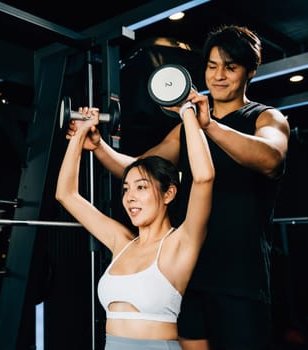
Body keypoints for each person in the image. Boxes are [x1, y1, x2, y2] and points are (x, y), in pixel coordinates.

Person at [66, 24, 291, 350]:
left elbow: (271, 159)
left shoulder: (265, 118)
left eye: (231, 67)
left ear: (250, 71)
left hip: (240, 277)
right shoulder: (187, 129)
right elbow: (138, 168)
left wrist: (209, 125)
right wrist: (99, 146)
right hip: (187, 275)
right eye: (212, 66)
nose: (218, 76)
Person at [56, 92, 215, 350]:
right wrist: (80, 133)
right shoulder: (122, 243)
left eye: (141, 188)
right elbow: (66, 195)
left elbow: (204, 178)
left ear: (169, 194)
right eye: (126, 189)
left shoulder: (180, 244)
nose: (130, 197)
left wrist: (186, 109)